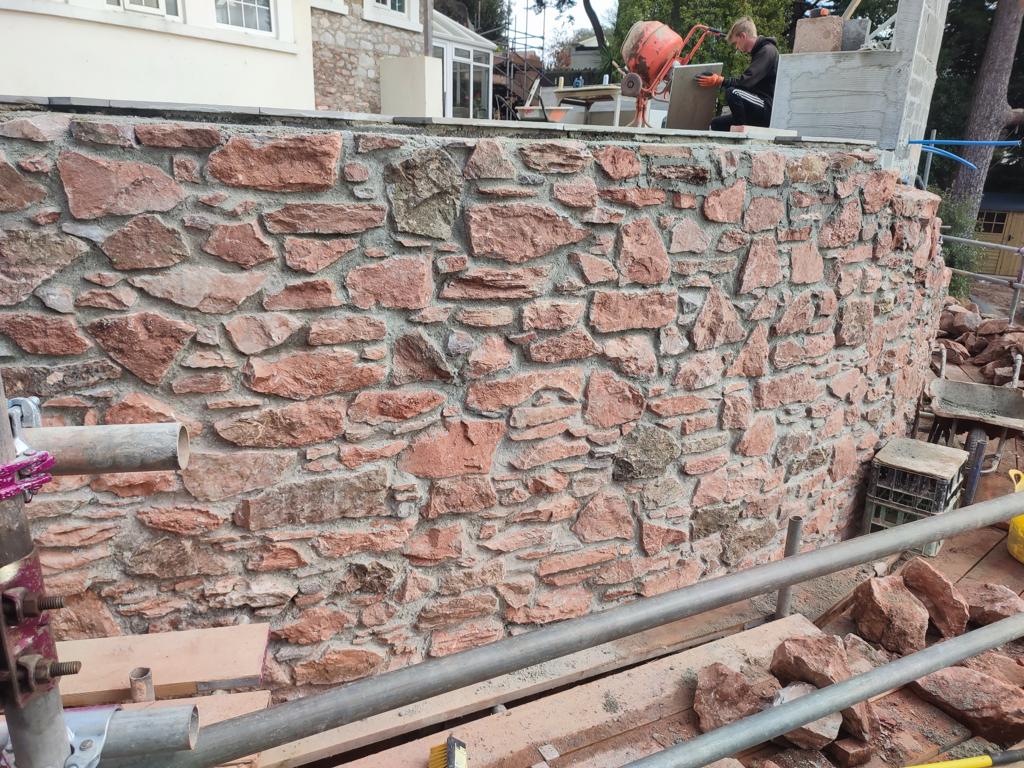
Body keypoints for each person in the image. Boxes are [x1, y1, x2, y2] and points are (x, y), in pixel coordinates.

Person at [697, 17, 779, 131]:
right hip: (755, 105)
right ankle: (738, 128)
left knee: (733, 92)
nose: (736, 47)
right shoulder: (760, 52)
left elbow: (746, 82)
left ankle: (739, 133)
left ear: (743, 36)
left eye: (736, 43)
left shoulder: (767, 51)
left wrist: (721, 81)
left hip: (765, 107)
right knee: (716, 124)